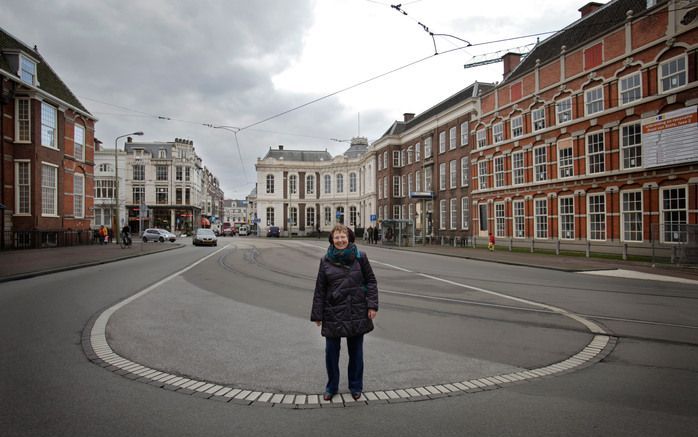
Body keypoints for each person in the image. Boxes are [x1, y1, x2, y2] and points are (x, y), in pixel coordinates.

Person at [311, 224, 379, 401]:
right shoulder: (325, 260)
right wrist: (318, 315)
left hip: (357, 309)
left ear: (349, 238)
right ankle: (331, 386)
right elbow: (320, 289)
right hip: (333, 311)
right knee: (331, 353)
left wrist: (372, 305)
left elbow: (371, 281)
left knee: (356, 352)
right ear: (332, 240)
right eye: (337, 237)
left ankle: (355, 386)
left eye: (343, 237)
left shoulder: (360, 257)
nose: (340, 240)